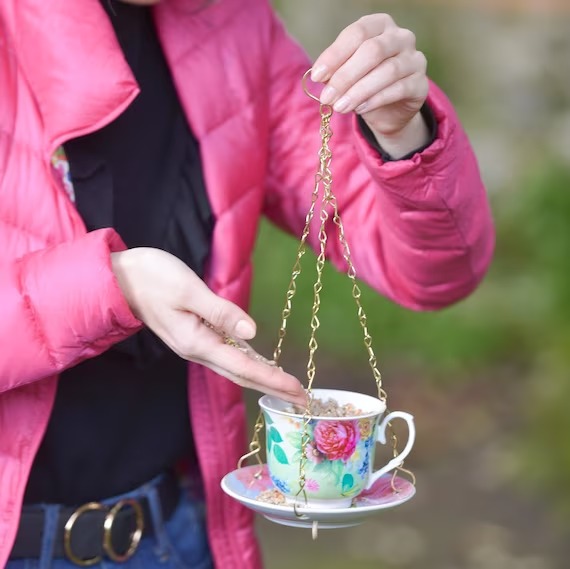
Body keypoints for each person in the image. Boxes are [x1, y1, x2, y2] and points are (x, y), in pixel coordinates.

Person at [0, 0, 494, 567]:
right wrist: (111, 287)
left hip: (178, 534)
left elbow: (433, 272)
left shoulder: (233, 25)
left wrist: (404, 134)